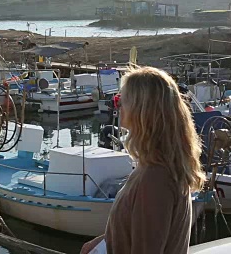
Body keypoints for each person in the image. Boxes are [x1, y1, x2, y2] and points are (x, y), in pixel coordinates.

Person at [81, 66, 205, 254]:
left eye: (121, 100)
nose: (117, 105)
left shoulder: (155, 179)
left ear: (142, 111)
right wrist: (104, 241)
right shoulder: (157, 166)